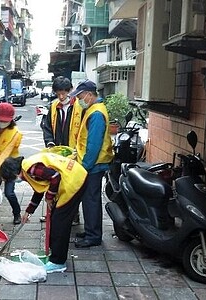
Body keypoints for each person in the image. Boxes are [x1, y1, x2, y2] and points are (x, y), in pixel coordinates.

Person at [0, 152, 88, 273]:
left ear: (14, 174)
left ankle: (58, 262)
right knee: (56, 220)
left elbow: (55, 177)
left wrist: (49, 197)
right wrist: (28, 211)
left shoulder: (30, 168)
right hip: (74, 177)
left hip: (75, 181)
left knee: (59, 223)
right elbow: (39, 189)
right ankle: (55, 254)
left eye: (11, 179)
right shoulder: (28, 168)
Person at [68, 80, 114, 248]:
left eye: (80, 96)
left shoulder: (96, 113)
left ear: (88, 94)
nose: (79, 99)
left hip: (93, 165)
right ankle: (90, 231)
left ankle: (93, 236)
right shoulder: (93, 109)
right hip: (90, 164)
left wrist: (85, 167)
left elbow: (94, 145)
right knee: (89, 200)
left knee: (91, 200)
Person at [40, 76, 83, 225]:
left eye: (64, 93)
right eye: (58, 93)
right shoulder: (53, 107)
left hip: (74, 152)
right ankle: (52, 213)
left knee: (71, 184)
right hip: (57, 152)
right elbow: (46, 127)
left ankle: (73, 215)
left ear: (70, 91)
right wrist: (50, 142)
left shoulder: (79, 107)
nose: (61, 96)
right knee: (54, 181)